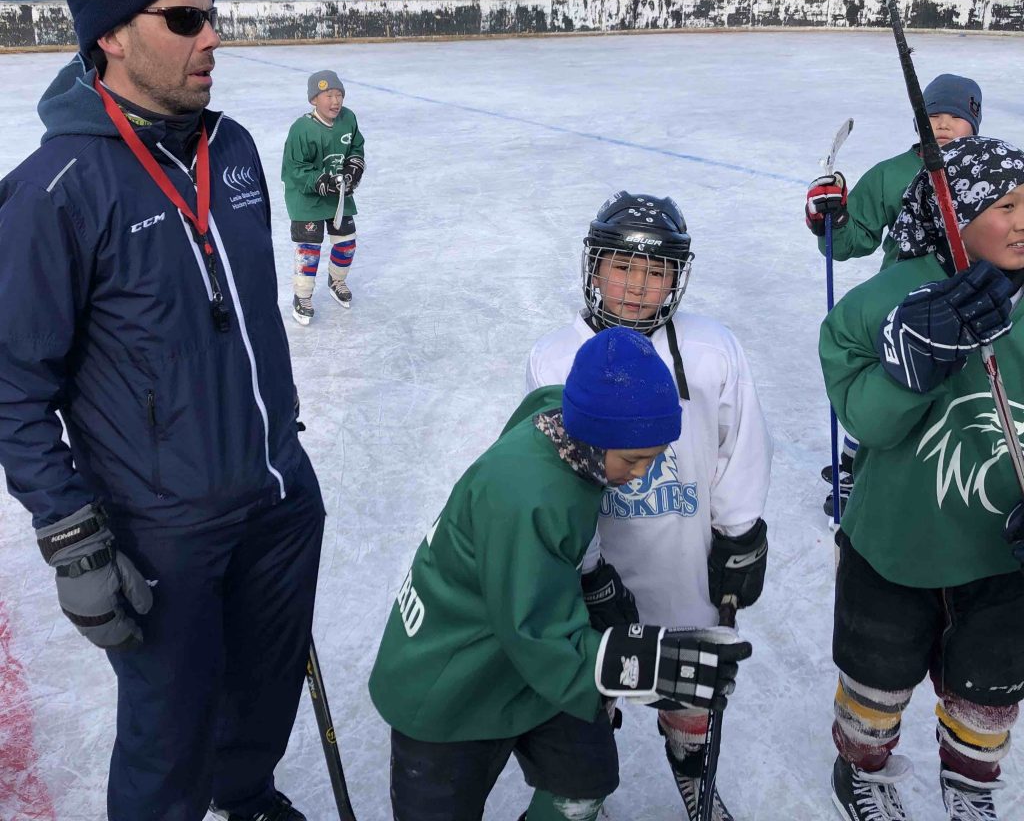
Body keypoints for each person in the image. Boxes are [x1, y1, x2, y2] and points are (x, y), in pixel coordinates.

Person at [0, 0, 324, 821]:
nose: (211, 36)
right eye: (184, 18)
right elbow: (14, 388)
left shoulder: (235, 150)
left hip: (277, 492)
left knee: (264, 690)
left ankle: (246, 794)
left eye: (211, 15)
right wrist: (71, 535)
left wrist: (280, 443)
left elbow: (240, 321)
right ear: (109, 35)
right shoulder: (54, 192)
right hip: (163, 526)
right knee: (167, 735)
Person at [369, 327, 752, 821]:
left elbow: (545, 581)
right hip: (451, 679)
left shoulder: (559, 416)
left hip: (530, 662)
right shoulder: (524, 499)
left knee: (584, 781)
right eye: (634, 459)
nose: (642, 473)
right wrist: (638, 664)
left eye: (654, 458)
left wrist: (590, 573)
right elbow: (535, 632)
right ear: (595, 434)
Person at [526, 192, 772, 821]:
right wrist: (586, 570)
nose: (638, 286)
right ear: (594, 267)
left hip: (684, 563)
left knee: (691, 688)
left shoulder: (713, 348)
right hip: (595, 569)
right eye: (622, 266)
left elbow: (738, 443)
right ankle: (584, 791)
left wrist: (740, 532)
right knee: (590, 691)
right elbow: (548, 478)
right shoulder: (554, 358)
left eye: (657, 270)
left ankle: (693, 772)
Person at [820, 135, 1024, 821]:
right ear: (951, 212)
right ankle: (862, 766)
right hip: (896, 541)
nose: (1023, 221)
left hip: (1004, 554)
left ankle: (970, 781)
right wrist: (903, 372)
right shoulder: (885, 299)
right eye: (1004, 206)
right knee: (875, 675)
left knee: (992, 685)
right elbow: (865, 421)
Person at [805, 74, 983, 516]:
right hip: (901, 303)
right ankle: (853, 467)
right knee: (887, 387)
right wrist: (832, 220)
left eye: (954, 117)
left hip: (972, 301)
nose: (942, 124)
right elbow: (850, 241)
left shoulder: (989, 171)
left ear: (975, 122)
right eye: (932, 115)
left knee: (953, 392)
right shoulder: (891, 173)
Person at [281, 71, 366, 323]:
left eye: (339, 95)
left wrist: (354, 167)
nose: (335, 101)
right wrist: (321, 181)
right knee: (309, 248)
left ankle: (336, 280)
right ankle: (302, 296)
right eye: (328, 95)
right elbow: (295, 169)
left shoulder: (348, 118)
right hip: (306, 198)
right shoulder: (301, 129)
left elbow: (356, 147)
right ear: (313, 100)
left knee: (346, 242)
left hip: (337, 195)